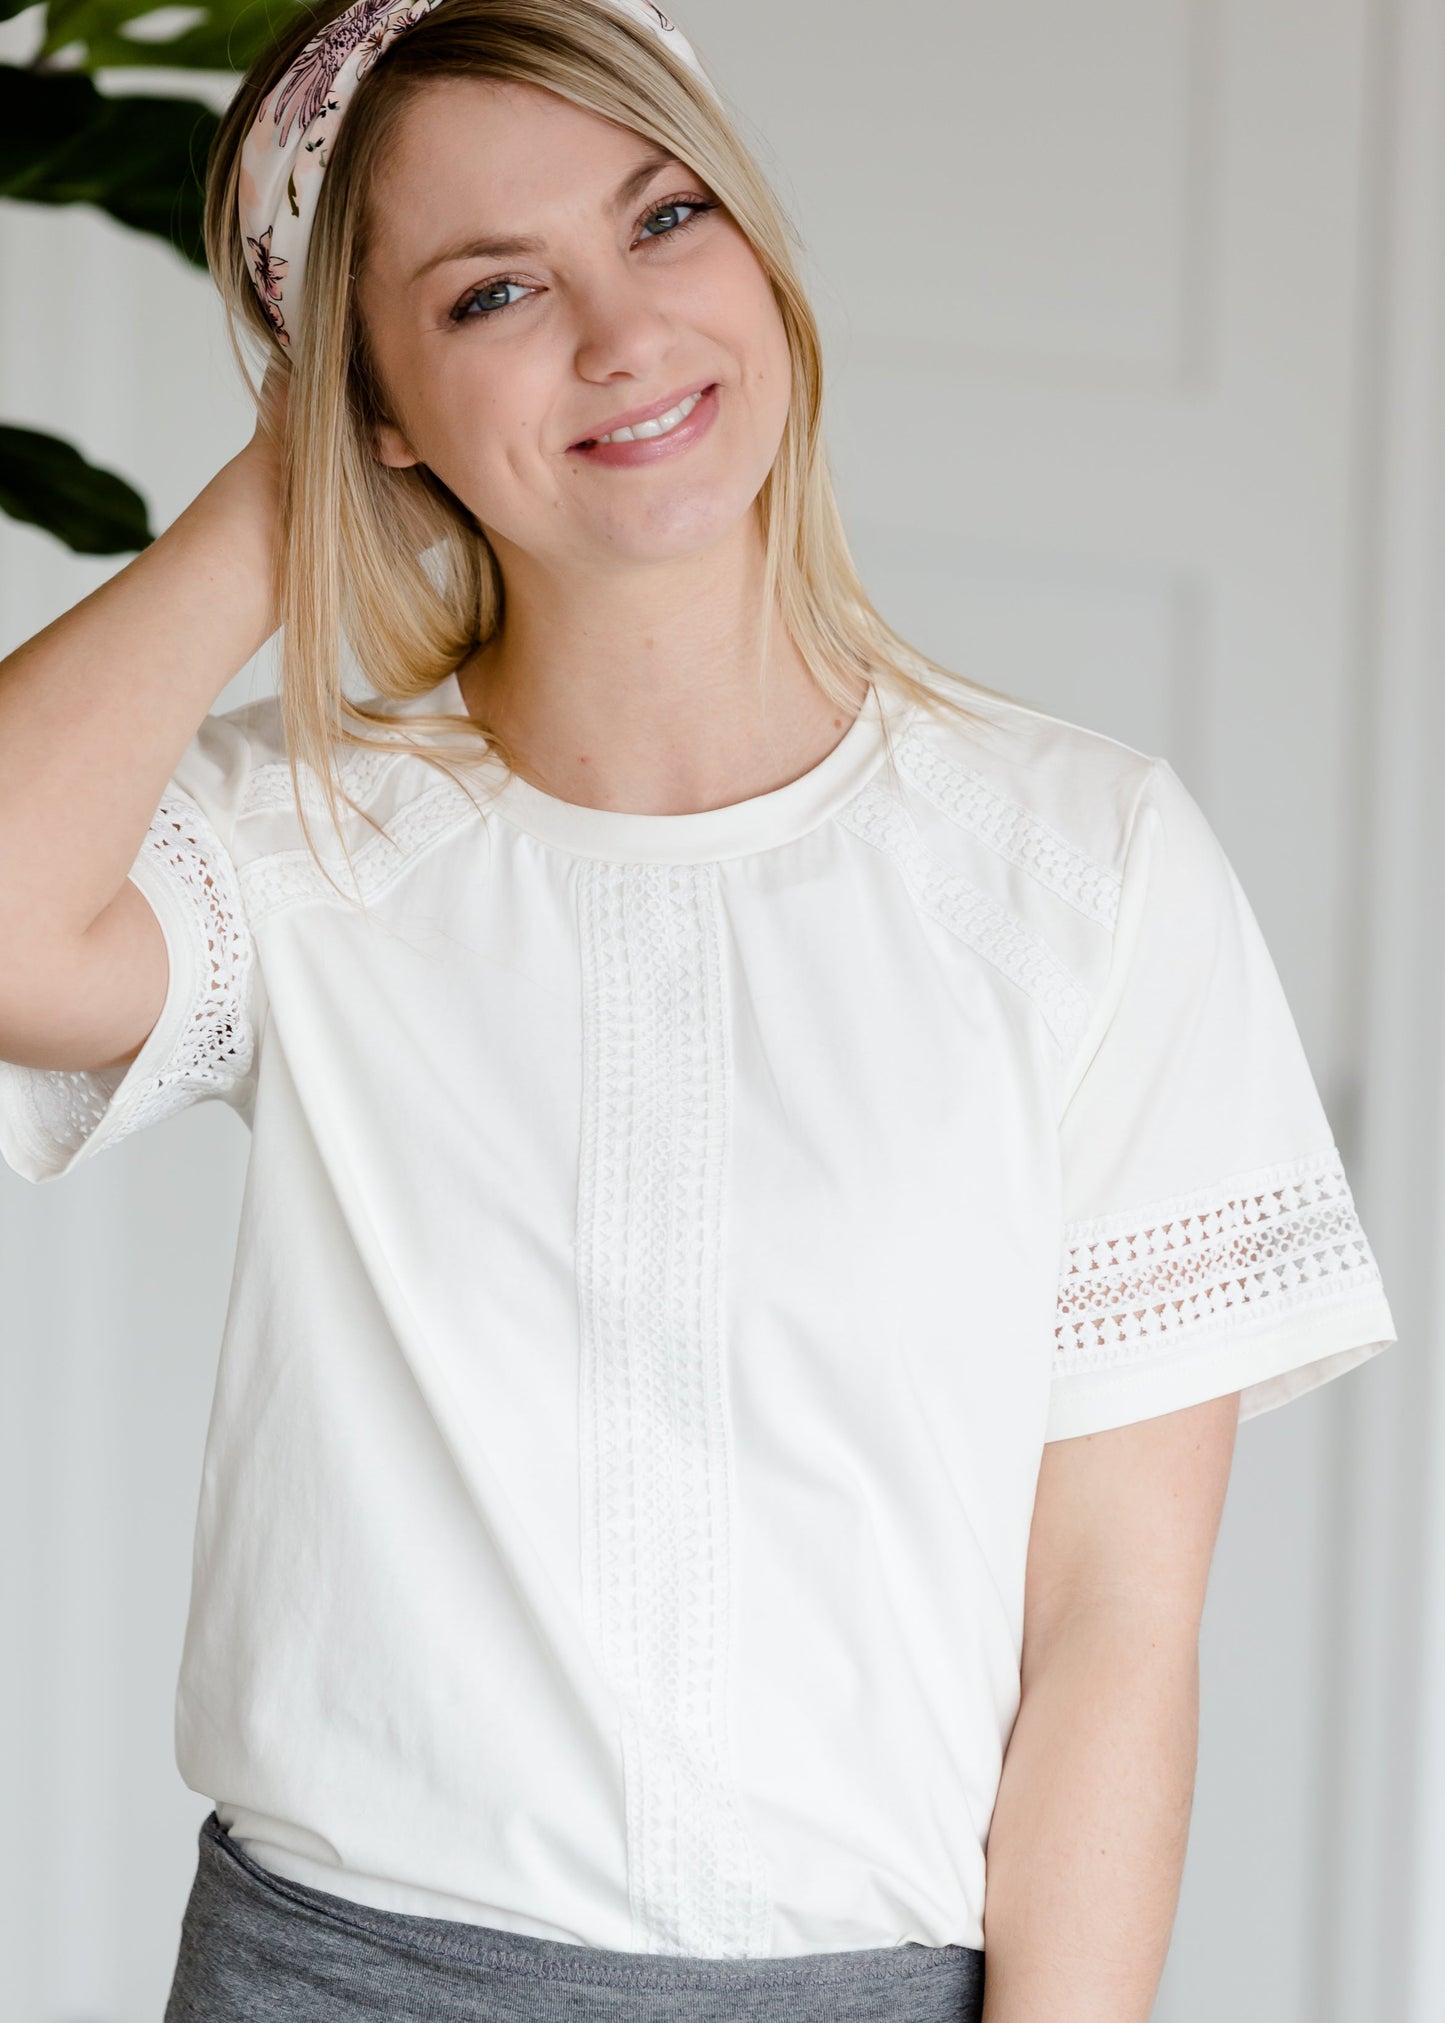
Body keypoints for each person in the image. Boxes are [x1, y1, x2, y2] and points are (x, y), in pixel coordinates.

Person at [0, 1, 1398, 2018]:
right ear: (370, 398)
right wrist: (277, 502)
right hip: (341, 1977)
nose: (620, 329)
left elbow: (1114, 1622)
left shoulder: (1085, 867)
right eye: (490, 290)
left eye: (663, 217)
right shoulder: (309, 845)